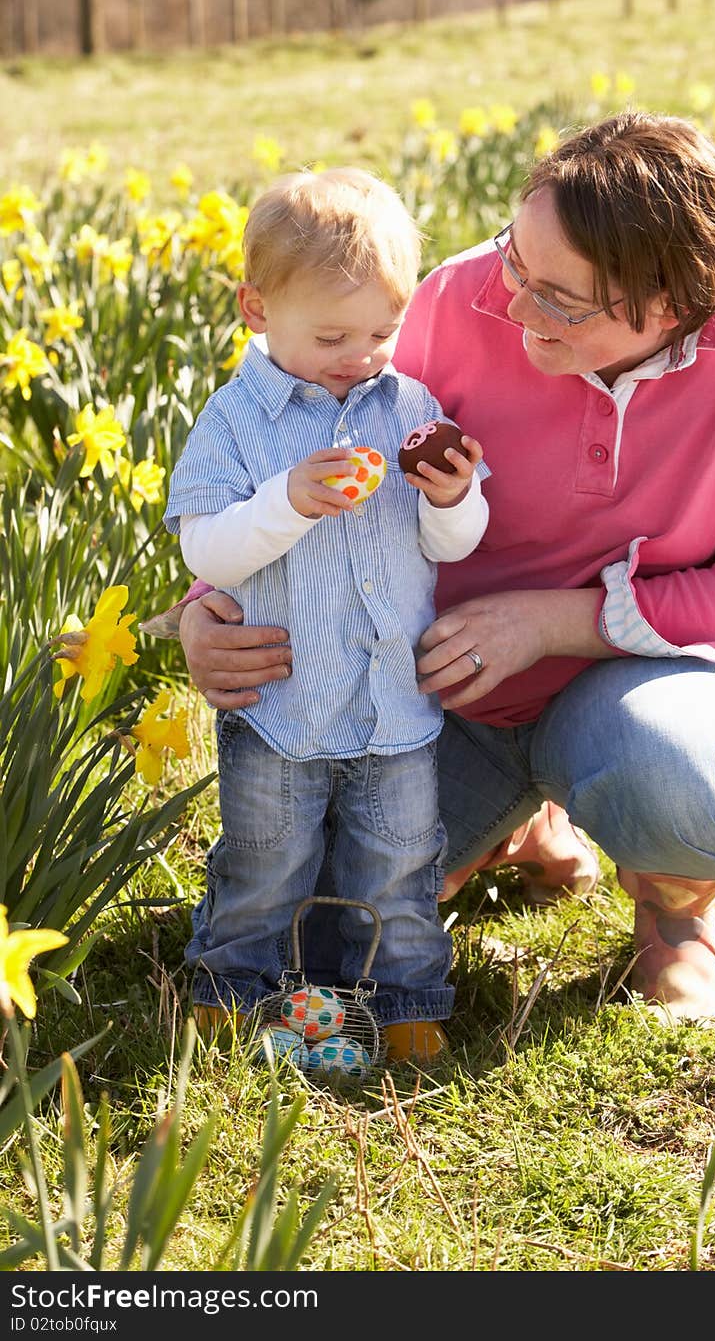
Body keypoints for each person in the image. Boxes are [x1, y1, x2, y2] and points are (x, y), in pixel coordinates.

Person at [157, 111, 715, 1027]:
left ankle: (674, 925)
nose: (512, 302)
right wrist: (209, 606)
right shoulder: (454, 299)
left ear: (670, 304)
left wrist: (546, 624)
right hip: (445, 690)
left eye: (558, 297)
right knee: (320, 926)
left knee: (677, 774)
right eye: (516, 260)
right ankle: (529, 824)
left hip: (645, 680)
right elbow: (321, 454)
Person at [162, 168, 490, 1063]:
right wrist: (288, 503)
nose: (360, 355)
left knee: (400, 863)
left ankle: (409, 997)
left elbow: (454, 546)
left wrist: (453, 499)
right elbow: (207, 552)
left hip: (394, 700)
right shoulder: (235, 422)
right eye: (334, 334)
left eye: (383, 331)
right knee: (266, 859)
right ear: (257, 309)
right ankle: (233, 987)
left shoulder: (409, 405)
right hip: (282, 702)